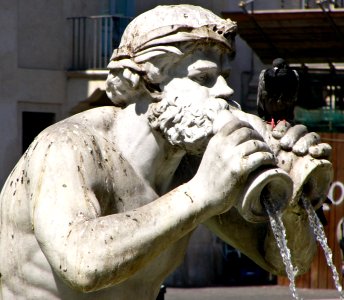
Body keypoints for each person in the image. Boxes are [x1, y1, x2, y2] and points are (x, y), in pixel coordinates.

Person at [0, 5, 332, 299]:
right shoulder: (68, 146)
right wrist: (200, 195)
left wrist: (291, 198)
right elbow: (81, 265)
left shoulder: (187, 165)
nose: (226, 90)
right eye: (204, 78)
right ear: (153, 85)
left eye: (224, 76)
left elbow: (288, 261)